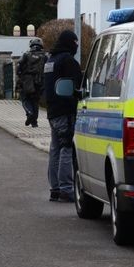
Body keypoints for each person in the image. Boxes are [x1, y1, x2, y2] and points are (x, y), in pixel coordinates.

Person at [44, 30, 82, 202]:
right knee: (66, 147)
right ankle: (67, 189)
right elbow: (79, 85)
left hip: (52, 111)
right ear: (69, 42)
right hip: (65, 111)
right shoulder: (67, 60)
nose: (77, 46)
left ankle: (55, 189)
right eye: (75, 42)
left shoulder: (50, 60)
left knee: (55, 149)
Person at [17, 37, 47, 127]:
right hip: (39, 81)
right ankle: (34, 122)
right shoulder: (45, 56)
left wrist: (19, 74)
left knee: (25, 99)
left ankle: (29, 113)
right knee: (35, 101)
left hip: (27, 81)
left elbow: (19, 65)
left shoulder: (26, 54)